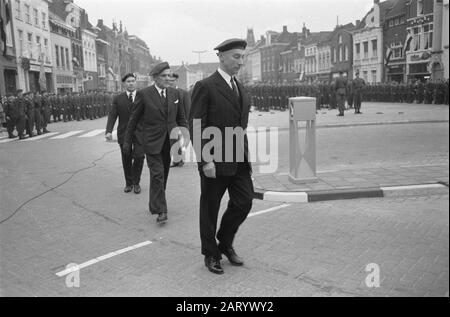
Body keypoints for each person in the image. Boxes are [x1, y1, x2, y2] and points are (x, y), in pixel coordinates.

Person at [190, 38, 254, 275]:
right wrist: (205, 160)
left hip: (238, 158)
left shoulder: (240, 87)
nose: (240, 61)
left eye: (242, 57)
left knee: (244, 201)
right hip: (214, 160)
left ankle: (224, 241)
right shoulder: (205, 86)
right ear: (221, 57)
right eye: (236, 56)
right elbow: (197, 124)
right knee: (210, 208)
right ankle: (211, 253)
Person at [124, 62, 188, 224]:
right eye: (164, 76)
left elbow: (181, 118)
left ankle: (156, 202)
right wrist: (127, 142)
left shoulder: (175, 94)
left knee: (163, 174)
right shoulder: (144, 94)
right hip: (152, 142)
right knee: (157, 174)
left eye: (170, 75)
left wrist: (186, 136)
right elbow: (133, 120)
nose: (168, 78)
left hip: (170, 142)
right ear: (155, 78)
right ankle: (161, 209)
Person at [106, 73, 145, 194]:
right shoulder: (118, 99)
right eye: (128, 81)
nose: (131, 83)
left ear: (136, 82)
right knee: (126, 157)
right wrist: (108, 131)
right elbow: (112, 115)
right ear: (124, 84)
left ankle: (136, 182)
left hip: (139, 133)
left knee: (139, 156)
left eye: (133, 81)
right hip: (123, 133)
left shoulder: (142, 96)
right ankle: (129, 183)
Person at [169, 72, 191, 168]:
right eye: (169, 81)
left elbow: (188, 108)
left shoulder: (183, 93)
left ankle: (179, 159)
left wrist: (187, 122)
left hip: (181, 121)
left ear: (176, 81)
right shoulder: (165, 92)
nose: (170, 83)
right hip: (170, 123)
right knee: (173, 141)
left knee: (179, 141)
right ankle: (177, 159)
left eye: (172, 81)